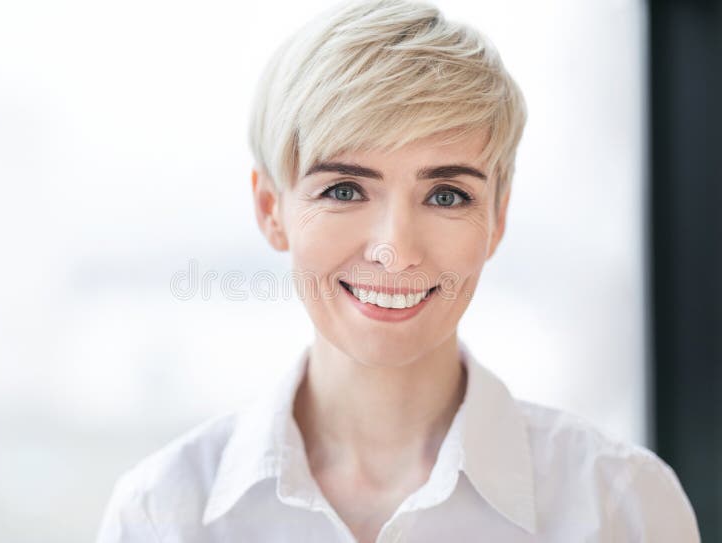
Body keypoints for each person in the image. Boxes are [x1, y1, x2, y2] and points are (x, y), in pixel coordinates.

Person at [95, 0, 700, 541]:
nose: (395, 250)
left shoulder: (622, 507)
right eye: (344, 190)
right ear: (270, 209)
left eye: (446, 196)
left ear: (497, 217)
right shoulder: (161, 516)